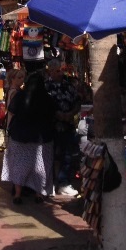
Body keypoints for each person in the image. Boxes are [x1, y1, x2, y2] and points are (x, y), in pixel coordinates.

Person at [1, 65, 57, 204]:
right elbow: (53, 115)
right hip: (42, 139)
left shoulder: (20, 96)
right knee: (41, 167)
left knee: (19, 165)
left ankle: (17, 195)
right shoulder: (47, 98)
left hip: (21, 137)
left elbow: (11, 112)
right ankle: (39, 194)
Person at [47, 59, 83, 197]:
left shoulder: (68, 86)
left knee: (67, 155)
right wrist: (57, 115)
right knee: (50, 155)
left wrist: (70, 114)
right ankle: (49, 184)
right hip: (52, 127)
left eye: (61, 70)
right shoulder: (46, 87)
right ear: (50, 71)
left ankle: (63, 183)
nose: (60, 73)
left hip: (67, 126)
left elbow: (77, 102)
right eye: (57, 71)